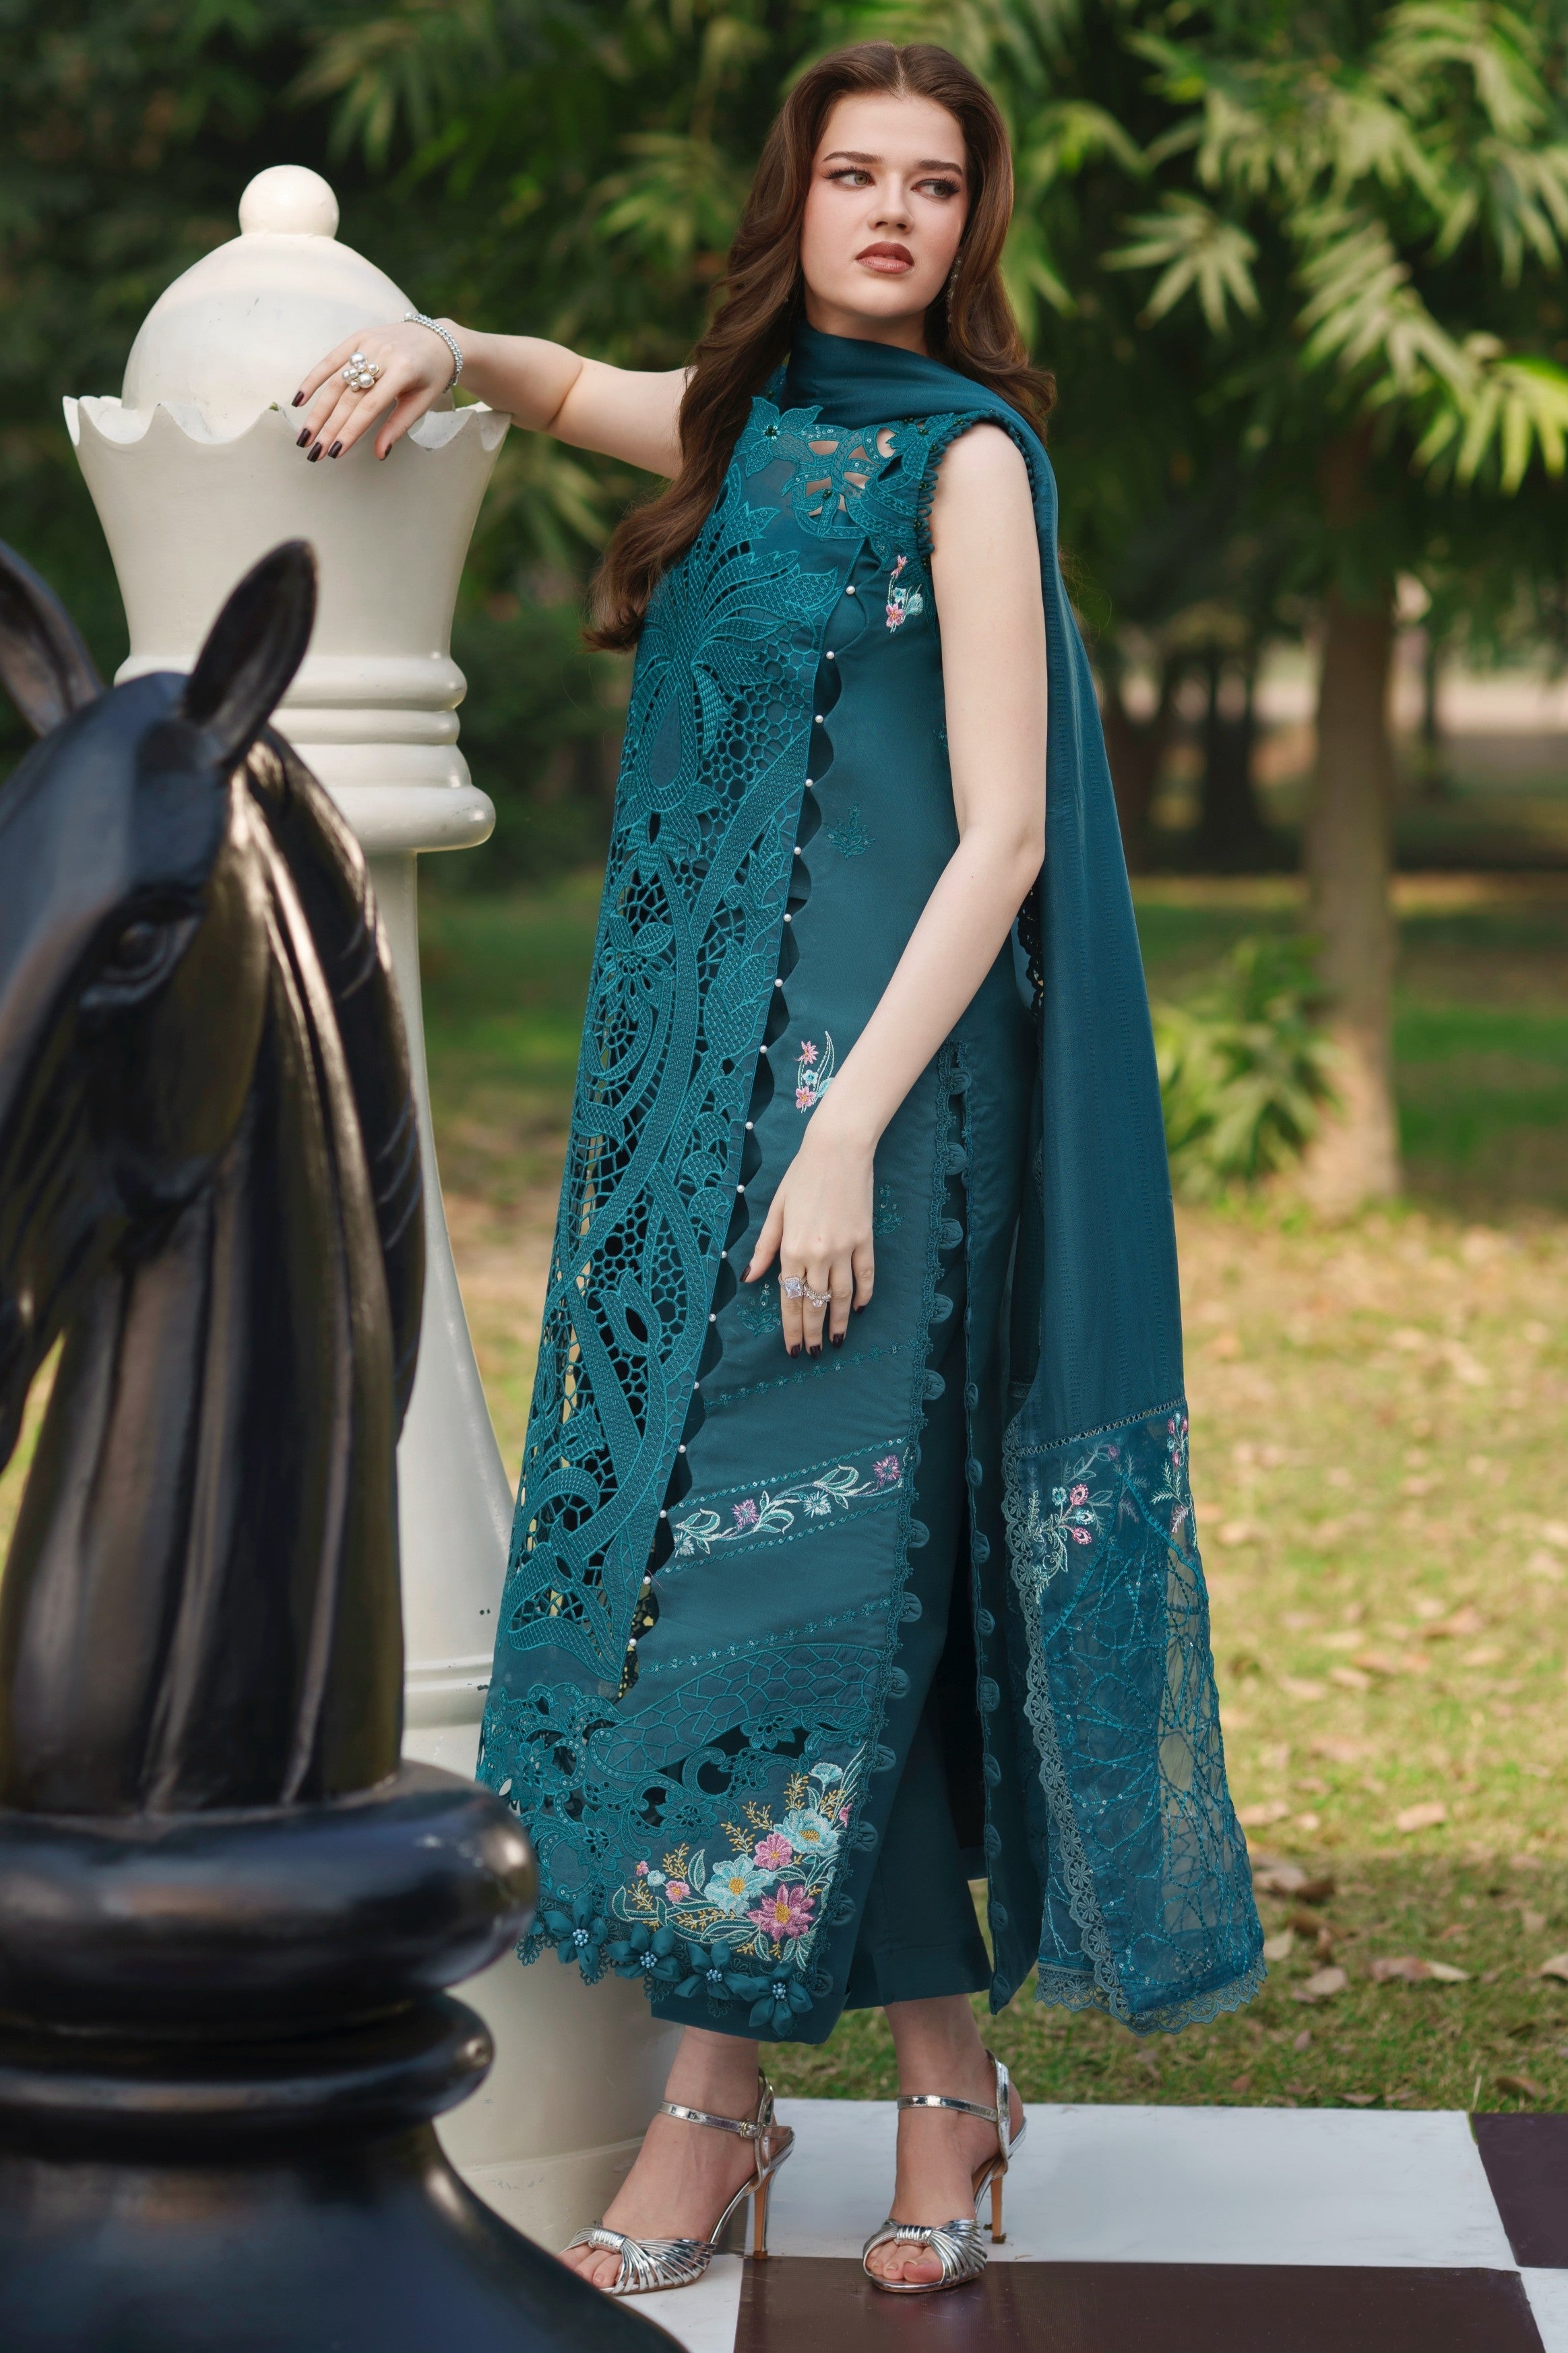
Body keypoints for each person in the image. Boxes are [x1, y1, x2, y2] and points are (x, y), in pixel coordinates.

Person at [294, 38, 1262, 2302]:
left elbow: (1002, 836)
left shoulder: (970, 465)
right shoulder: (752, 431)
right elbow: (570, 389)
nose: (894, 211)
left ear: (974, 224)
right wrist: (441, 344)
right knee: (758, 1584)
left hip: (878, 1126)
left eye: (934, 182)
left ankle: (749, 2105)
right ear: (798, 200)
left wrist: (845, 1132)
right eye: (856, 174)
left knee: (833, 1574)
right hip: (697, 1124)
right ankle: (871, 2092)